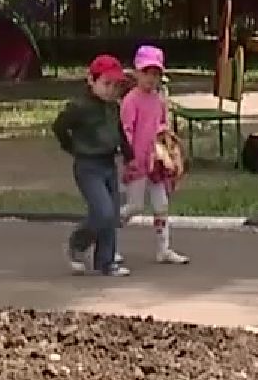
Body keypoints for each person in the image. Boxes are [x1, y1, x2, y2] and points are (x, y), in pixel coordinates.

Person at [53, 55, 134, 277]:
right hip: (88, 166)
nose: (110, 90)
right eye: (106, 84)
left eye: (115, 85)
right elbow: (59, 127)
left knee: (113, 214)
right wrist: (72, 147)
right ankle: (77, 243)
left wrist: (129, 155)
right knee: (103, 212)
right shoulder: (79, 107)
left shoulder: (112, 107)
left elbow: (120, 133)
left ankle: (105, 262)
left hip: (108, 163)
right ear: (91, 80)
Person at [120, 45, 190, 265]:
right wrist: (129, 157)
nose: (151, 78)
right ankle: (107, 236)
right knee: (134, 206)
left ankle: (163, 248)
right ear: (137, 72)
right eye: (146, 72)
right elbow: (126, 130)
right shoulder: (131, 100)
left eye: (156, 73)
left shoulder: (159, 100)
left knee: (161, 206)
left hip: (157, 162)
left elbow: (163, 125)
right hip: (138, 162)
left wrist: (167, 146)